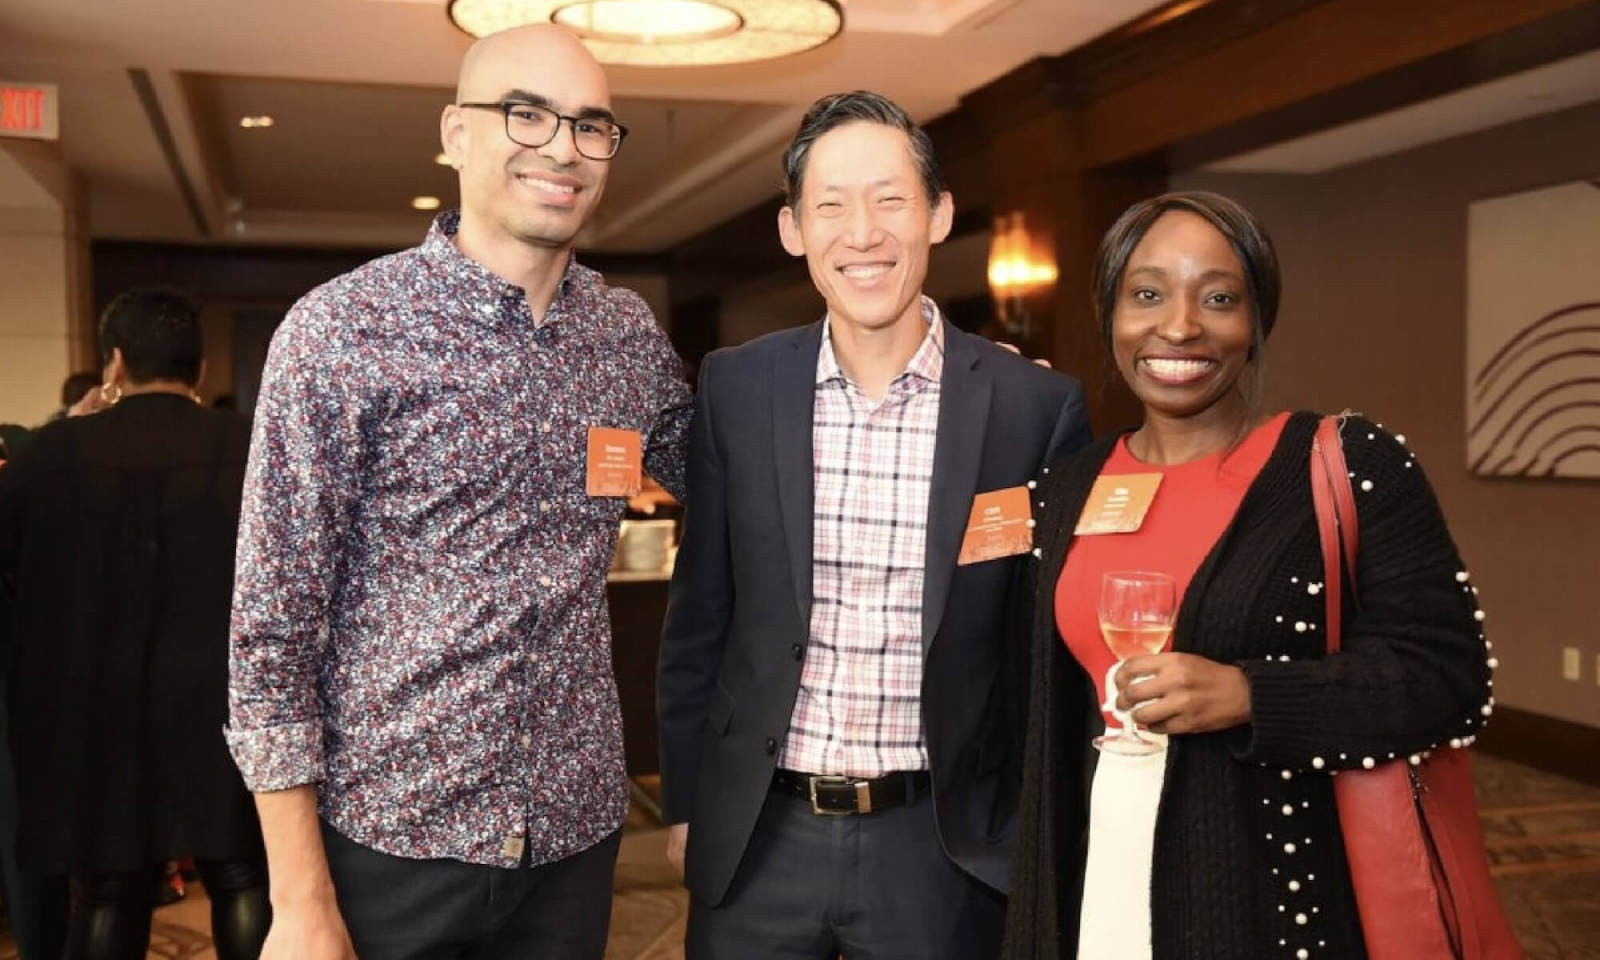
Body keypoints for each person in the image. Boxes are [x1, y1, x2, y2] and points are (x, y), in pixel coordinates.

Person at [225, 24, 691, 960]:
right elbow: (271, 629)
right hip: (393, 841)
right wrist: (300, 897)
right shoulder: (341, 331)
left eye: (591, 125)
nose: (562, 147)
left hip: (575, 836)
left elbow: (737, 475)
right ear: (455, 132)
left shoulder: (625, 336)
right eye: (527, 114)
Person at [1001, 192, 1495, 960]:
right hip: (1102, 865)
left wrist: (1248, 695)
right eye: (1148, 294)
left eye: (1220, 298)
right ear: (1110, 316)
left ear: (1256, 322)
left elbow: (1449, 677)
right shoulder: (1067, 487)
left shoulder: (1346, 463)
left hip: (1270, 878)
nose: (1181, 325)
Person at [656, 90, 1093, 960]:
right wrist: (687, 803)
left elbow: (1045, 652)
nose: (863, 233)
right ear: (793, 229)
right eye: (831, 205)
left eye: (891, 199)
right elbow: (699, 617)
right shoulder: (738, 388)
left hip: (940, 844)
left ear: (938, 215)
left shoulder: (1032, 406)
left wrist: (1037, 830)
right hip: (757, 837)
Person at [0, 287, 269, 960]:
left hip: (90, 701)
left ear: (114, 363)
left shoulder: (51, 453)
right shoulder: (250, 446)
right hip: (226, 694)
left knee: (107, 889)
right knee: (240, 875)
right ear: (200, 371)